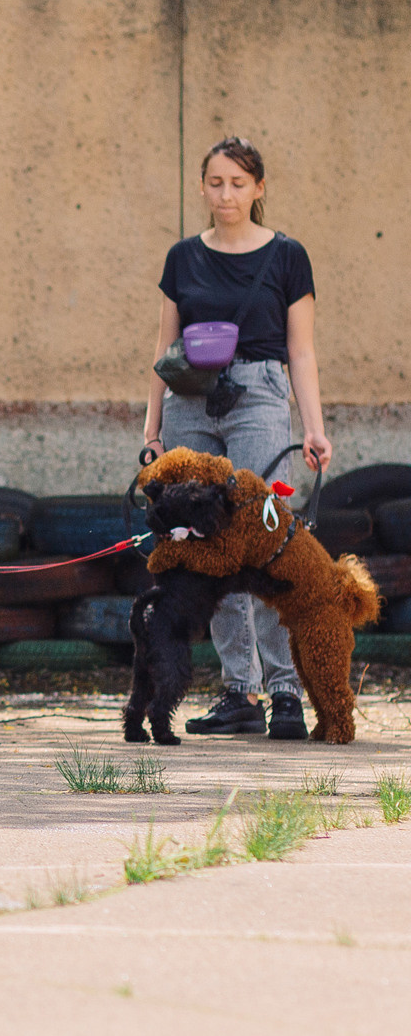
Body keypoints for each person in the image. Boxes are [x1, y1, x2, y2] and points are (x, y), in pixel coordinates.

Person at [142, 137, 327, 742]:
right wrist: (151, 429)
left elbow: (301, 350)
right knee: (202, 546)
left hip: (259, 396)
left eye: (239, 183)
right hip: (190, 404)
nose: (227, 194)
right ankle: (236, 692)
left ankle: (285, 692)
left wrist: (313, 427)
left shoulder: (286, 256)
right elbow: (164, 352)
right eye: (216, 182)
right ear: (202, 187)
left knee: (270, 538)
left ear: (259, 189)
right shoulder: (182, 258)